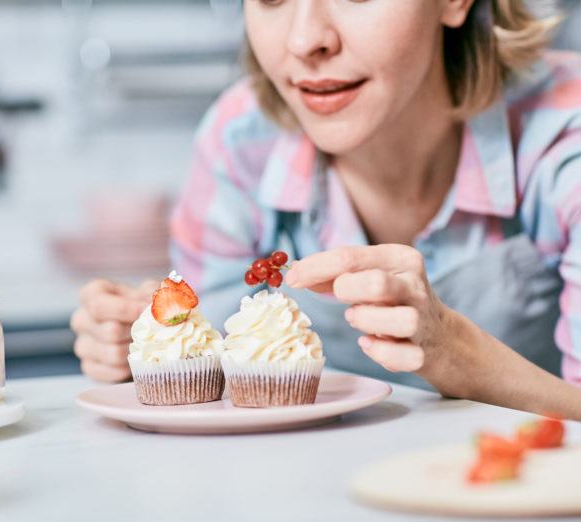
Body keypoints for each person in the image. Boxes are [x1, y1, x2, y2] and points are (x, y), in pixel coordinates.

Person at [71, 0, 581, 419]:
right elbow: (213, 375)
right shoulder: (239, 139)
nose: (304, 40)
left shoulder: (565, 130)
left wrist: (454, 351)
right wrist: (147, 347)